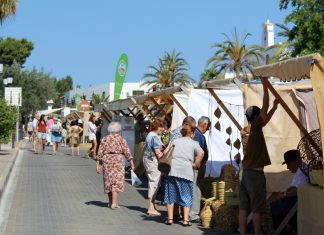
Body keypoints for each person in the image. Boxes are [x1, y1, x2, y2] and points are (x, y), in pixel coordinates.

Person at [239, 77, 279, 235]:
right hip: (255, 175)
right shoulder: (255, 128)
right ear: (255, 118)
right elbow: (265, 107)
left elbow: (265, 118)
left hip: (246, 173)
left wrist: (275, 108)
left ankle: (242, 232)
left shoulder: (246, 130)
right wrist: (265, 84)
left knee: (243, 207)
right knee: (257, 209)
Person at [164, 123, 204, 226]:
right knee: (186, 195)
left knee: (170, 195)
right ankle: (186, 220)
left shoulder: (175, 141)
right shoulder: (194, 143)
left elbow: (166, 152)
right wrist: (195, 164)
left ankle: (170, 219)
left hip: (173, 170)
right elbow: (201, 153)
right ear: (192, 133)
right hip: (187, 171)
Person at [96, 122, 135, 209]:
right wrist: (131, 162)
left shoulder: (104, 139)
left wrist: (98, 164)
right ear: (118, 129)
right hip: (118, 160)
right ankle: (114, 203)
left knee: (108, 181)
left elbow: (100, 152)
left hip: (107, 160)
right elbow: (127, 151)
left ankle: (110, 202)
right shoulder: (121, 139)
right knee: (116, 182)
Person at [270, 150, 309, 234]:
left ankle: (283, 231)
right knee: (274, 205)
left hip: (297, 202)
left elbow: (298, 190)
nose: (287, 168)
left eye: (288, 164)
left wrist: (285, 195)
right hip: (294, 200)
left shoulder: (303, 171)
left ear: (295, 162)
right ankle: (286, 229)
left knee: (274, 207)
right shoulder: (300, 170)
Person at [143, 119, 165, 216]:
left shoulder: (150, 135)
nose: (163, 129)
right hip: (152, 161)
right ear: (157, 126)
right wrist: (163, 163)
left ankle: (152, 206)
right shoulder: (155, 137)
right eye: (161, 126)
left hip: (148, 159)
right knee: (154, 183)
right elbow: (158, 153)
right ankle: (151, 207)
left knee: (153, 181)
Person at [191, 116, 210, 222]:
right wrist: (199, 165)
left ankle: (191, 213)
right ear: (204, 125)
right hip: (197, 166)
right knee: (196, 189)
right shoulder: (198, 135)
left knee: (194, 188)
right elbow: (197, 152)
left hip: (196, 165)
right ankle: (193, 214)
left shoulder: (197, 134)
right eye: (208, 127)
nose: (208, 129)